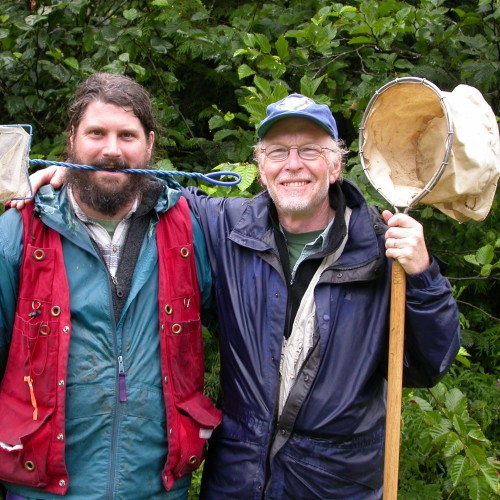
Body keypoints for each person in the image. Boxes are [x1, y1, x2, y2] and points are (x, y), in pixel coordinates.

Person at [17, 92, 461, 499]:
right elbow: (144, 192)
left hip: (335, 484)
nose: (293, 164)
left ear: (336, 163)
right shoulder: (226, 229)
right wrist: (76, 177)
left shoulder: (384, 250)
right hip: (237, 482)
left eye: (310, 150)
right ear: (260, 164)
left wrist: (423, 276)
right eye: (277, 152)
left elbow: (428, 364)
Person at [0, 73, 221, 500]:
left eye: (127, 135)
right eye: (96, 133)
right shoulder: (20, 232)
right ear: (71, 139)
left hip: (158, 489)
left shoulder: (188, 227)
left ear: (150, 143)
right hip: (42, 489)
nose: (112, 150)